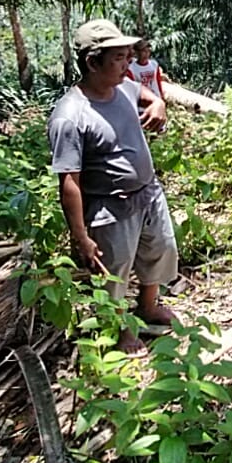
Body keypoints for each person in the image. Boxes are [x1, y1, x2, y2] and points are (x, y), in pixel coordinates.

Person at [47, 19, 177, 355]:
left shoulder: (123, 88)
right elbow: (70, 183)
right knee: (114, 271)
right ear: (93, 63)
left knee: (159, 248)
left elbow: (146, 94)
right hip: (110, 207)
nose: (127, 65)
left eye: (128, 56)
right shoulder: (71, 115)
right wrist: (81, 236)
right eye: (119, 58)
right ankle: (121, 329)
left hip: (148, 193)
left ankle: (148, 306)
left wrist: (158, 104)